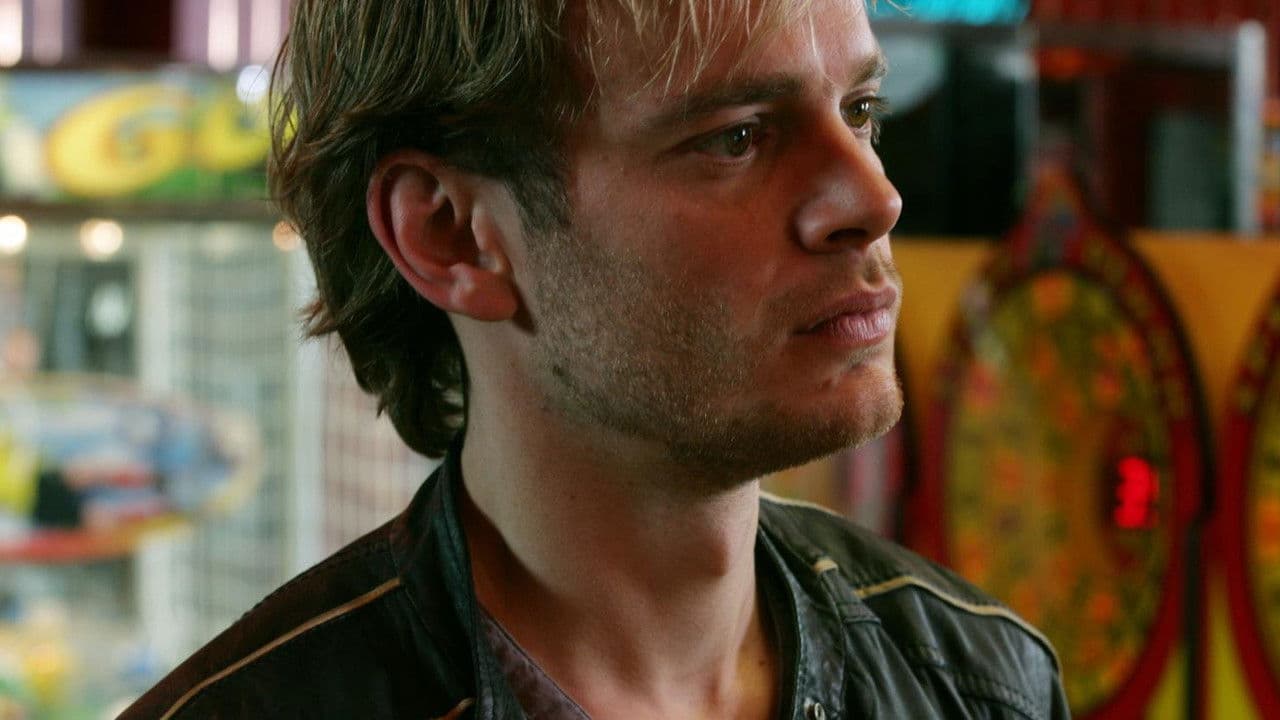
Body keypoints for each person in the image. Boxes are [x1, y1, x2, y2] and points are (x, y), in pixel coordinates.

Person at [123, 0, 1069, 718]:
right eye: (737, 138)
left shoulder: (979, 682)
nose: (874, 197)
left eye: (860, 109)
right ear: (451, 235)